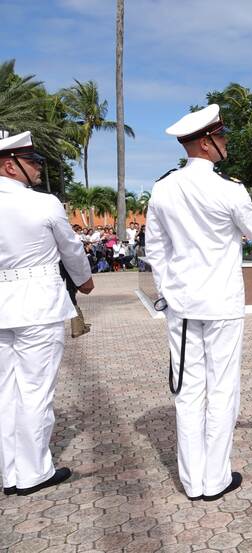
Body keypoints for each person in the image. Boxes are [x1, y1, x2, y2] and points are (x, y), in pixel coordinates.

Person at [145, 104, 252, 501]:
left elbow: (155, 249)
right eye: (221, 138)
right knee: (222, 389)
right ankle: (215, 479)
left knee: (188, 392)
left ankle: (192, 482)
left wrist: (167, 291)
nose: (225, 144)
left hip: (182, 306)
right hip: (221, 302)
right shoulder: (230, 190)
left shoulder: (163, 188)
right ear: (207, 143)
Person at [0, 131, 94, 496]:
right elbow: (70, 249)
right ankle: (34, 472)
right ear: (10, 165)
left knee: (5, 393)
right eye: (32, 162)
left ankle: (9, 472)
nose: (39, 167)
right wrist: (84, 281)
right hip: (37, 305)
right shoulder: (44, 204)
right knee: (36, 392)